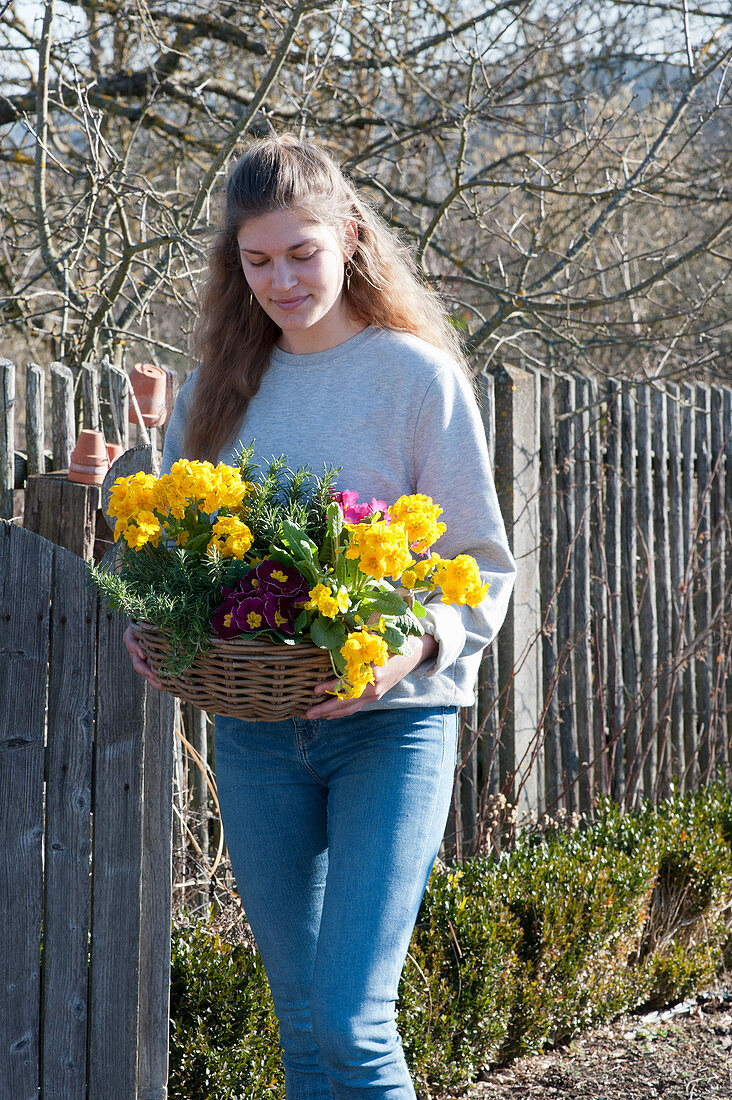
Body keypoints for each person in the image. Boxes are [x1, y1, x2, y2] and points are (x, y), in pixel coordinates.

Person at [124, 133, 516, 1100]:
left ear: (348, 236)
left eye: (302, 252)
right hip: (255, 735)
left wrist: (411, 647)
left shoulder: (416, 379)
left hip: (394, 730)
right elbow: (178, 560)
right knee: (300, 1030)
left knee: (353, 1023)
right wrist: (161, 626)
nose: (283, 279)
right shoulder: (218, 396)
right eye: (258, 261)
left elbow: (485, 564)